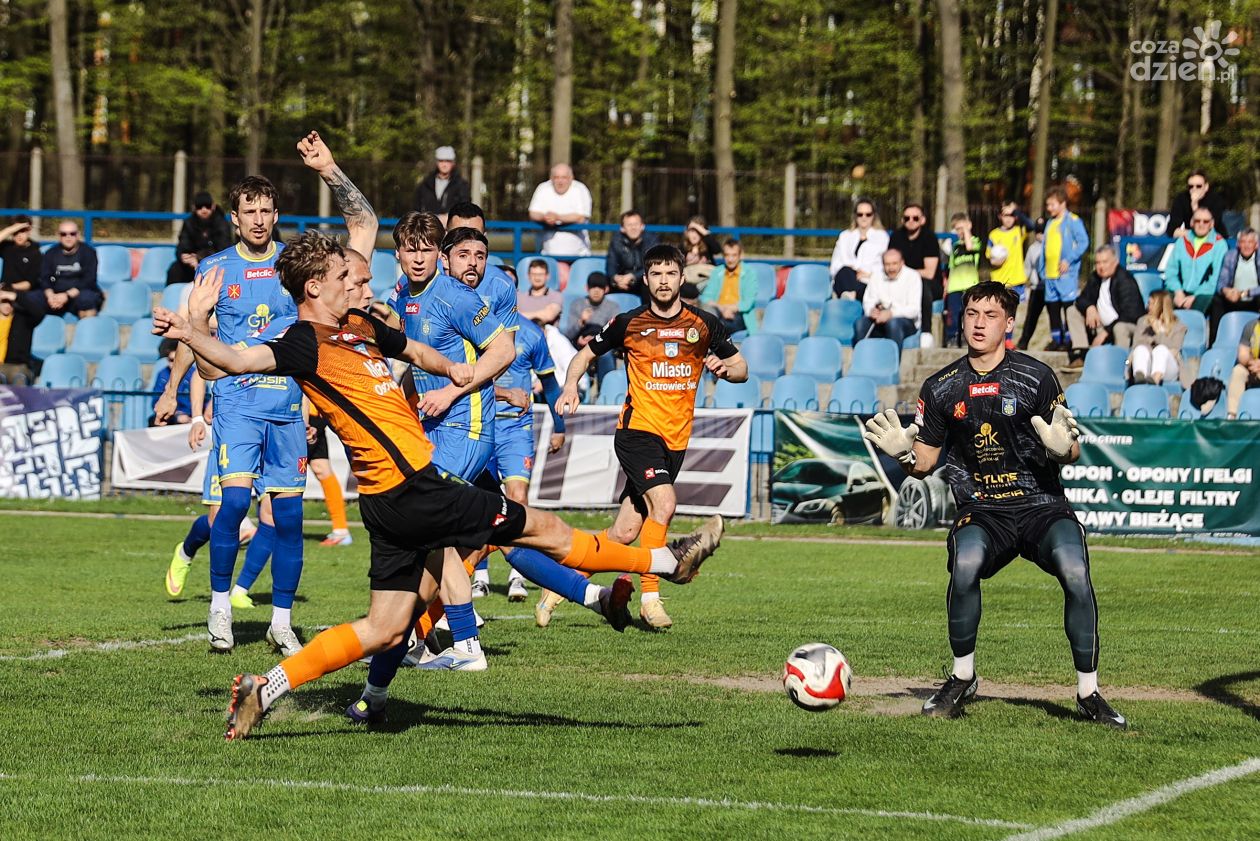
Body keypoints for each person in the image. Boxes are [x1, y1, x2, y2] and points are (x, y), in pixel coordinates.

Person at [150, 231, 724, 740]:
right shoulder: (302, 341)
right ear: (315, 287)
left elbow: (412, 349)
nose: (355, 283)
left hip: (390, 500)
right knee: (542, 529)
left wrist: (452, 371)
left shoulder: (359, 326)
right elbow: (228, 362)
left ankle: (269, 688)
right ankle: (669, 563)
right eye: (344, 276)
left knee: (385, 627)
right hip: (415, 489)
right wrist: (192, 327)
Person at [862, 280, 1125, 729]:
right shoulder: (941, 387)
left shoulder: (1037, 376)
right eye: (971, 314)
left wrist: (1062, 447)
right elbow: (924, 462)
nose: (979, 324)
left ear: (1009, 324)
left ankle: (1089, 693)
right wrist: (903, 456)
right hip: (982, 509)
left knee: (1075, 571)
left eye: (990, 316)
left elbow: (1071, 448)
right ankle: (962, 678)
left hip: (1041, 504)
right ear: (961, 320)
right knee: (965, 565)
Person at [549, 243, 748, 630]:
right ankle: (651, 600)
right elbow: (584, 355)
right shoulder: (629, 322)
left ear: (682, 277)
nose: (663, 281)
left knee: (625, 531)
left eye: (671, 273)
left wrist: (726, 371)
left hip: (675, 440)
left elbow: (742, 367)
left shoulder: (703, 324)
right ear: (646, 279)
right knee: (665, 504)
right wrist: (570, 386)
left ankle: (560, 583)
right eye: (656, 274)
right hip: (637, 431)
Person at [384, 216, 516, 669]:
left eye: (427, 249)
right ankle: (417, 638)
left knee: (427, 526)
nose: (418, 258)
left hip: (468, 427)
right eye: (411, 249)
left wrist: (451, 392)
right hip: (433, 429)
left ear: (438, 255)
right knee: (429, 534)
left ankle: (458, 642)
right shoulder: (404, 297)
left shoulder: (455, 297)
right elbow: (415, 362)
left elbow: (504, 351)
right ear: (398, 254)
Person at [1063, 244, 1144, 367]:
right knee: (1072, 311)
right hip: (1100, 326)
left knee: (1120, 327)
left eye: (1105, 262)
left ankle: (1119, 365)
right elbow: (1081, 299)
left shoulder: (1125, 280)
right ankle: (1082, 355)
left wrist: (1106, 332)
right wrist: (1089, 307)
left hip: (1124, 328)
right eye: (1098, 263)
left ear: (1115, 262)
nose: (1101, 267)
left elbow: (1130, 314)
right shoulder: (1095, 277)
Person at [1038, 187, 1090, 350]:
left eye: (1052, 204)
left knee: (1068, 306)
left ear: (1062, 203)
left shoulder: (1073, 221)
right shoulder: (1050, 222)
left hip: (1065, 274)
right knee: (1052, 307)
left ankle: (1069, 340)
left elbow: (1083, 242)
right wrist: (1041, 268)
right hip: (1050, 274)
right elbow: (1045, 247)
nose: (1049, 208)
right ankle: (1056, 339)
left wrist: (1069, 260)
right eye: (1047, 205)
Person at [0, 215, 46, 372]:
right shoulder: (7, 248)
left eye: (23, 231)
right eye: (16, 232)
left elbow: (29, 283)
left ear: (29, 231)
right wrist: (12, 228)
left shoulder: (35, 253)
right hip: (5, 295)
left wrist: (10, 290)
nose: (19, 235)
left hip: (22, 298)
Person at [888, 203, 941, 340]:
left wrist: (905, 273)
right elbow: (890, 265)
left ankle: (926, 332)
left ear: (922, 220)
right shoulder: (896, 237)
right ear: (902, 220)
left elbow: (929, 273)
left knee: (921, 284)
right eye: (907, 218)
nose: (911, 221)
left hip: (929, 284)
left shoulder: (929, 238)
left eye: (915, 218)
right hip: (902, 281)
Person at [853, 248, 921, 348]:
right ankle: (863, 354)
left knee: (893, 324)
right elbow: (868, 300)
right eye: (887, 264)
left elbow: (914, 309)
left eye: (894, 263)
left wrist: (891, 313)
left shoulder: (913, 276)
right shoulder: (876, 276)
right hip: (879, 319)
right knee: (860, 324)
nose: (891, 268)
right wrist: (871, 311)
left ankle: (893, 357)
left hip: (905, 321)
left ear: (902, 263)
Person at [1165, 208, 1227, 315]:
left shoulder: (1219, 244)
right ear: (1191, 222)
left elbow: (1215, 279)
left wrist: (1195, 296)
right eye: (1197, 221)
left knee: (1194, 313)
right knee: (1161, 303)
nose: (1201, 224)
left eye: (1205, 221)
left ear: (1212, 224)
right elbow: (1171, 271)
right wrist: (1178, 292)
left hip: (1205, 293)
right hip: (1180, 290)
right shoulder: (1182, 241)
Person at [168, 192, 234, 286]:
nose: (204, 210)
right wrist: (185, 257)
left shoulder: (221, 223)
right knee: (175, 270)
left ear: (213, 206)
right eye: (199, 207)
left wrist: (199, 258)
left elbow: (224, 249)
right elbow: (182, 245)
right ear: (194, 207)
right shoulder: (189, 223)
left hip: (215, 263)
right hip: (191, 265)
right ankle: (173, 293)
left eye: (207, 206)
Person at [829, 199, 889, 299]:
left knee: (868, 287)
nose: (864, 218)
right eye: (860, 214)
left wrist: (868, 274)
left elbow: (884, 265)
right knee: (845, 271)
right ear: (855, 216)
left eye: (868, 214)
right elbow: (835, 264)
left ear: (873, 216)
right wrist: (854, 270)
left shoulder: (882, 237)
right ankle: (852, 295)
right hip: (845, 276)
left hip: (868, 280)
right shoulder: (845, 236)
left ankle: (851, 295)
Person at [40, 222, 102, 318]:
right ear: (58, 235)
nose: (68, 237)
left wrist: (66, 295)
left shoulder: (88, 252)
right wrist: (50, 296)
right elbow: (45, 277)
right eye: (63, 234)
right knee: (32, 299)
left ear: (78, 235)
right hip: (56, 294)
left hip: (79, 292)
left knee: (86, 299)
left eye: (72, 234)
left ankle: (87, 327)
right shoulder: (50, 253)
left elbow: (89, 279)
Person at [528, 163, 592, 256]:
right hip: (547, 253)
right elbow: (533, 213)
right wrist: (545, 217)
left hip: (579, 254)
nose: (560, 181)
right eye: (556, 177)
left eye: (564, 177)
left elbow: (581, 217)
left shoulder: (580, 189)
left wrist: (558, 217)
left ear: (571, 178)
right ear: (551, 178)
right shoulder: (543, 188)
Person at [1209, 228, 1259, 342]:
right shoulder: (1230, 256)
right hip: (1234, 297)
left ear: (1256, 245)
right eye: (1243, 242)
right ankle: (1215, 342)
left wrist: (1246, 293)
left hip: (1254, 298)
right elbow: (1221, 282)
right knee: (1217, 301)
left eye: (1250, 242)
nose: (1246, 246)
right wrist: (1226, 291)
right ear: (1238, 244)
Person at [699, 238, 758, 335]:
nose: (730, 259)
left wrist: (731, 309)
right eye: (727, 255)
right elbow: (706, 297)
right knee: (707, 317)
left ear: (740, 255)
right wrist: (722, 309)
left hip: (738, 313)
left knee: (717, 326)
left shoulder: (749, 273)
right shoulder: (717, 272)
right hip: (718, 310)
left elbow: (748, 302)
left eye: (734, 255)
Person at [1128, 290, 1185, 387]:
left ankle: (1155, 381)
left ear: (1160, 305)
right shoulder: (1142, 321)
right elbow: (1136, 344)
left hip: (1168, 368)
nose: (1148, 307)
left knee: (1161, 350)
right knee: (1140, 349)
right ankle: (1140, 380)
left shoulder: (1178, 326)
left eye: (1151, 304)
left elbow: (1173, 349)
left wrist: (1158, 333)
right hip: (1148, 362)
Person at [945, 213, 982, 346]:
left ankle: (968, 337)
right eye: (957, 229)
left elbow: (970, 247)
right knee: (954, 313)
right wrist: (946, 287)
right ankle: (952, 337)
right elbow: (951, 267)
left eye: (962, 228)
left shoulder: (975, 241)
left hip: (970, 285)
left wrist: (966, 231)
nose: (960, 231)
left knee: (969, 313)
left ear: (969, 225)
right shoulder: (955, 246)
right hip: (954, 286)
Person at [606, 209, 659, 294]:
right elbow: (611, 263)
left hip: (642, 279)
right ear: (622, 228)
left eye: (636, 224)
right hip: (622, 279)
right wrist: (615, 278)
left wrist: (634, 276)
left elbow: (652, 265)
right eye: (629, 225)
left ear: (642, 226)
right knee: (601, 282)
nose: (633, 228)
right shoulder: (616, 241)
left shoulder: (652, 240)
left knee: (649, 284)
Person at [412, 146, 471, 223]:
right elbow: (416, 208)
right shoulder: (425, 184)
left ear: (453, 163)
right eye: (441, 161)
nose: (444, 164)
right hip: (428, 225)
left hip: (452, 226)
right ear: (436, 162)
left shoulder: (462, 185)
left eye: (448, 161)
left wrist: (450, 217)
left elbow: (465, 208)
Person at [986, 202, 1032, 299]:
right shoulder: (993, 234)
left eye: (1012, 215)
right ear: (1000, 216)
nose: (1008, 218)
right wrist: (996, 262)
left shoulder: (1018, 231)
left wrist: (1016, 211)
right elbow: (989, 258)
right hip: (1000, 282)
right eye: (1006, 215)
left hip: (1017, 281)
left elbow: (1031, 225)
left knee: (1018, 308)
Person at [1168, 169, 1228, 239]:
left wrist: (1194, 206)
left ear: (1206, 187)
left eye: (1198, 186)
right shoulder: (1181, 199)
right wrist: (1192, 234)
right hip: (1191, 240)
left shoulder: (1215, 200)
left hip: (1216, 240)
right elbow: (1172, 230)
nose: (1194, 189)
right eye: (1191, 186)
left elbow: (1209, 229)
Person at [1016, 219, 1046, 350]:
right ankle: (1023, 342)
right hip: (1036, 287)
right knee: (1031, 317)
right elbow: (1027, 268)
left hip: (1050, 287)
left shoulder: (1053, 245)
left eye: (1043, 232)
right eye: (1038, 232)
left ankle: (1059, 341)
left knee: (1055, 317)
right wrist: (1024, 282)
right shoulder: (1033, 249)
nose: (1040, 235)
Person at [150, 339, 194, 424]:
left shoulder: (193, 374)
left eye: (177, 360)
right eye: (171, 360)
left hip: (190, 416)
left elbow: (201, 400)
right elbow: (156, 399)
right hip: (170, 416)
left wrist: (185, 413)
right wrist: (175, 414)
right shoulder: (162, 374)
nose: (174, 363)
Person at [1225, 317, 1260, 419]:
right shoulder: (1251, 326)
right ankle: (1232, 415)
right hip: (1253, 368)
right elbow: (1242, 354)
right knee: (1238, 371)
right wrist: (1253, 364)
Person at [517, 258, 564, 326]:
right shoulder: (519, 297)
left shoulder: (556, 296)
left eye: (540, 274)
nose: (537, 278)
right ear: (528, 276)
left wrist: (521, 316)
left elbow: (549, 315)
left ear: (547, 276)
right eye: (534, 274)